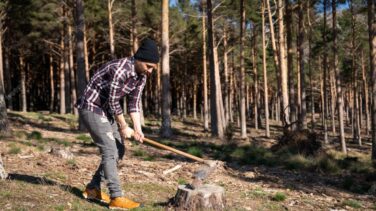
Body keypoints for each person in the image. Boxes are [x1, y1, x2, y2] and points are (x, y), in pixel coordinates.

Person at [75, 38, 159, 209]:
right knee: (110, 149)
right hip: (91, 107)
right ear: (139, 59)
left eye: (153, 68)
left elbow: (134, 103)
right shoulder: (120, 69)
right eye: (148, 66)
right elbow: (114, 102)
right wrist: (123, 126)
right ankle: (116, 197)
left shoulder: (141, 76)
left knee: (119, 149)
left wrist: (137, 129)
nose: (150, 71)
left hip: (105, 110)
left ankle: (93, 188)